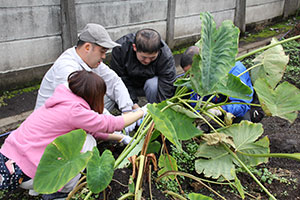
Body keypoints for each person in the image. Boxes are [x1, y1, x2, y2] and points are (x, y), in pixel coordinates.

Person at [0, 70, 147, 199]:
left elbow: (93, 128)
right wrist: (141, 112)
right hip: (26, 173)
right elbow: (110, 124)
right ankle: (58, 193)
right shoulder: (75, 110)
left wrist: (121, 138)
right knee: (88, 142)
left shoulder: (63, 99)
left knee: (77, 138)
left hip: (11, 162)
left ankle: (38, 188)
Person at [35, 23, 134, 115]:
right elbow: (79, 104)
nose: (104, 56)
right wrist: (114, 126)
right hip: (53, 121)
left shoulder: (91, 62)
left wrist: (128, 110)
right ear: (87, 47)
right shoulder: (67, 68)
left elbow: (114, 81)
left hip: (74, 112)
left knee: (110, 92)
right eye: (102, 51)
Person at [180, 46, 254, 123]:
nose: (193, 77)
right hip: (213, 106)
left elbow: (242, 105)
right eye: (190, 74)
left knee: (241, 122)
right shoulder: (196, 77)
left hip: (236, 109)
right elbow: (196, 101)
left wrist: (218, 110)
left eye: (194, 72)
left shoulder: (234, 69)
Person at [110, 28, 177, 107]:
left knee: (153, 84)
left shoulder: (165, 55)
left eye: (152, 58)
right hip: (129, 83)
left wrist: (161, 109)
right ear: (135, 47)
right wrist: (133, 104)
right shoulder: (120, 49)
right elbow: (120, 79)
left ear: (158, 51)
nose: (147, 61)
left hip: (148, 85)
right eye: (144, 57)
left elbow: (167, 83)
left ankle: (154, 107)